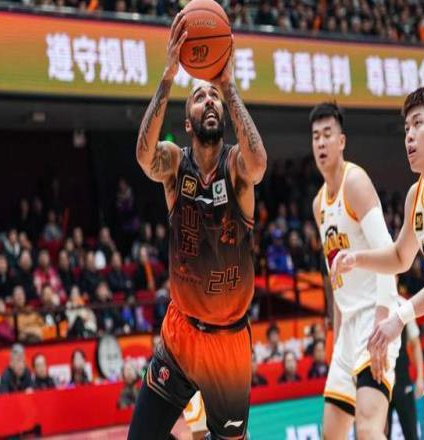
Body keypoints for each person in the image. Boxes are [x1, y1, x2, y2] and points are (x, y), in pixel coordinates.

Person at [128, 11, 266, 440]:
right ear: (187, 121)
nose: (209, 101)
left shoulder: (237, 166)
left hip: (228, 343)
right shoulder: (174, 163)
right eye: (200, 97)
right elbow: (143, 157)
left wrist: (228, 86)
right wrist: (168, 78)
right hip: (181, 333)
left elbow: (259, 164)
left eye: (214, 99)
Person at [332, 87, 424, 439]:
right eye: (406, 129)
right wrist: (358, 258)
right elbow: (401, 256)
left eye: (418, 124)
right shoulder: (415, 196)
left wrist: (400, 316)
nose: (409, 136)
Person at [310, 102, 400, 439]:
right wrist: (337, 338)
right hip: (348, 329)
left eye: (327, 134)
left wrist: (382, 321)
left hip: (375, 317)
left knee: (368, 429)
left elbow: (390, 254)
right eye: (316, 136)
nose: (321, 142)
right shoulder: (319, 203)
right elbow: (335, 279)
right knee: (331, 433)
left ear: (342, 141)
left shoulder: (356, 182)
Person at [387, 297, 424, 440]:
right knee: (380, 434)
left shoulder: (402, 304)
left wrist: (420, 378)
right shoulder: (372, 302)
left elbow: (415, 343)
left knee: (412, 435)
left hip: (402, 379)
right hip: (380, 380)